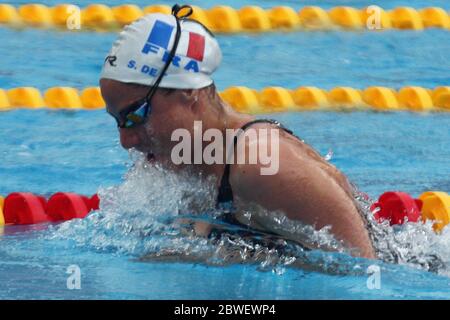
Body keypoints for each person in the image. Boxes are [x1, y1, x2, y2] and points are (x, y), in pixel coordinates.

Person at [99, 5, 377, 259]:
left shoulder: (263, 163)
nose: (126, 140)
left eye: (135, 115)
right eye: (117, 121)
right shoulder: (182, 164)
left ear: (187, 91)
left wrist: (224, 258)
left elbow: (364, 273)